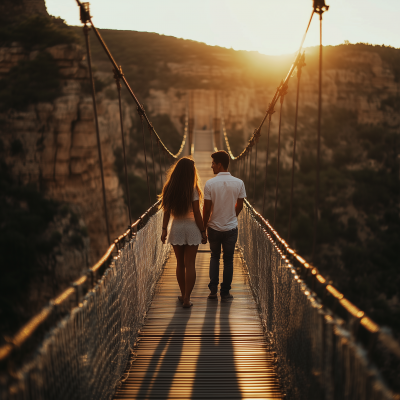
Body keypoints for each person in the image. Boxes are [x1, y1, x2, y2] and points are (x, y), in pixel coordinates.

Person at [160, 157, 207, 308]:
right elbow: (197, 213)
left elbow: (166, 212)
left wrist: (163, 230)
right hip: (192, 228)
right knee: (190, 263)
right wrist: (203, 231)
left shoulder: (169, 188)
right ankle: (187, 298)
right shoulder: (192, 189)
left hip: (177, 228)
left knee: (180, 264)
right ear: (190, 172)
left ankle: (182, 293)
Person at [202, 150, 246, 300]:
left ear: (220, 165)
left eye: (213, 163)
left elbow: (207, 209)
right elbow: (239, 206)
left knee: (214, 256)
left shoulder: (209, 184)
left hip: (213, 227)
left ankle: (213, 289)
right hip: (231, 228)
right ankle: (225, 292)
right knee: (228, 260)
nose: (211, 166)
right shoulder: (239, 183)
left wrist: (203, 228)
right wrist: (231, 216)